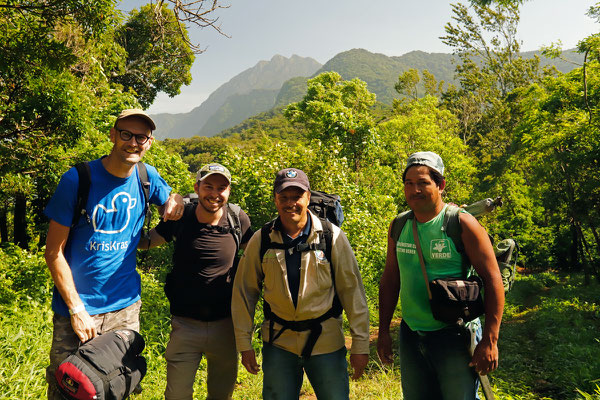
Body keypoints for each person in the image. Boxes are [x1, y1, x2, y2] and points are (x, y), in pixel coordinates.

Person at [44, 109, 184, 399]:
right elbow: (53, 252)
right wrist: (76, 309)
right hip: (80, 313)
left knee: (116, 386)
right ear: (113, 135)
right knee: (68, 389)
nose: (133, 142)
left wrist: (176, 199)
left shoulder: (148, 177)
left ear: (149, 142)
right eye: (126, 134)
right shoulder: (77, 180)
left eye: (141, 137)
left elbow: (169, 206)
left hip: (126, 308)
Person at [232, 168, 370, 400]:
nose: (290, 203)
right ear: (275, 199)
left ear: (308, 197)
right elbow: (244, 293)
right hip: (279, 342)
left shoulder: (330, 236)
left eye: (296, 197)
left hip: (325, 340)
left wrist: (360, 344)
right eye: (284, 197)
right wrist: (244, 344)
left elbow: (352, 291)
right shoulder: (262, 239)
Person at [376, 151, 505, 400]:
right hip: (412, 335)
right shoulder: (399, 225)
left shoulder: (462, 223)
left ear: (440, 185)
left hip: (455, 335)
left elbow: (493, 279)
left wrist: (490, 340)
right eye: (409, 183)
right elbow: (391, 280)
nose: (415, 190)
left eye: (423, 182)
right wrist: (383, 332)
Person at [141, 163, 253, 400]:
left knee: (221, 395)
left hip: (226, 326)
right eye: (208, 186)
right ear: (197, 187)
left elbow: (258, 256)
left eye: (221, 188)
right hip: (185, 325)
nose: (214, 193)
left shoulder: (237, 219)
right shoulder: (182, 216)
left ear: (229, 191)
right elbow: (148, 241)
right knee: (177, 395)